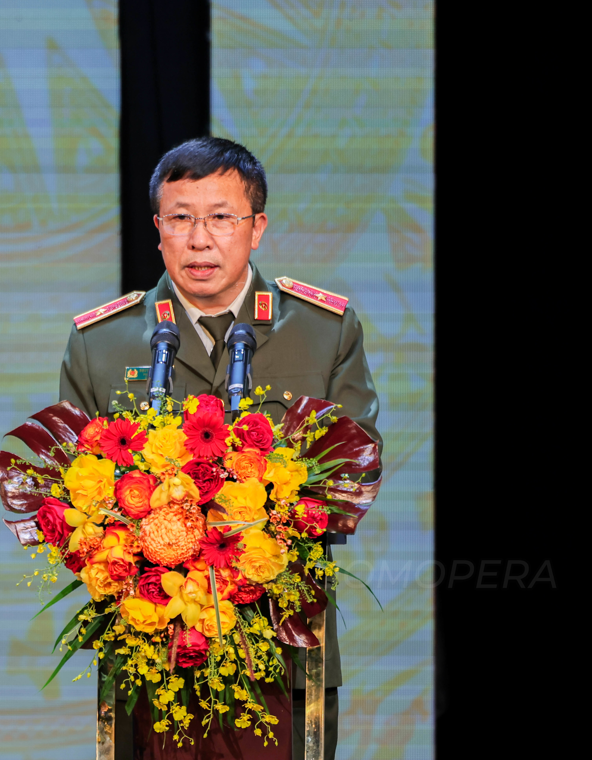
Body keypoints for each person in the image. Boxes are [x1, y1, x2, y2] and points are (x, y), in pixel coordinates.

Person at [59, 136, 381, 760]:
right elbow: (74, 496)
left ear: (256, 227)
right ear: (158, 229)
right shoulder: (103, 342)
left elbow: (353, 472)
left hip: (283, 652)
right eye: (180, 218)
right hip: (150, 652)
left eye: (221, 218)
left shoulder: (322, 330)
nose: (199, 239)